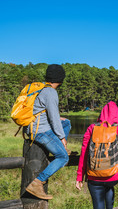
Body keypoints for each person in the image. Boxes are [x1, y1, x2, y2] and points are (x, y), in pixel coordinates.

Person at [76, 101, 118, 209]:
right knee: (109, 190)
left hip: (94, 176)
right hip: (113, 176)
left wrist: (80, 176)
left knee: (98, 205)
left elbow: (84, 154)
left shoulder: (92, 128)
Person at [25, 64, 71, 200]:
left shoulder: (40, 88)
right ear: (60, 79)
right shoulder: (50, 92)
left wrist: (58, 118)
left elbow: (51, 114)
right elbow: (54, 121)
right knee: (63, 157)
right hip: (40, 131)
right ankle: (38, 182)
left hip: (33, 127)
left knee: (66, 122)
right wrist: (62, 138)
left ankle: (59, 148)